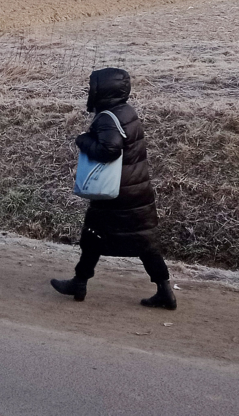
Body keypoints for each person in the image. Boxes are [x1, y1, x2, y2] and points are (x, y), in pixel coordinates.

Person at [51, 67, 177, 309]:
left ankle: (79, 283)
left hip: (115, 194)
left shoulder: (108, 117)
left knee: (92, 235)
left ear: (103, 89)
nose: (90, 91)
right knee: (144, 242)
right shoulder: (126, 111)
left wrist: (83, 140)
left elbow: (109, 150)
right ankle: (164, 291)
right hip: (136, 190)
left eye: (93, 87)